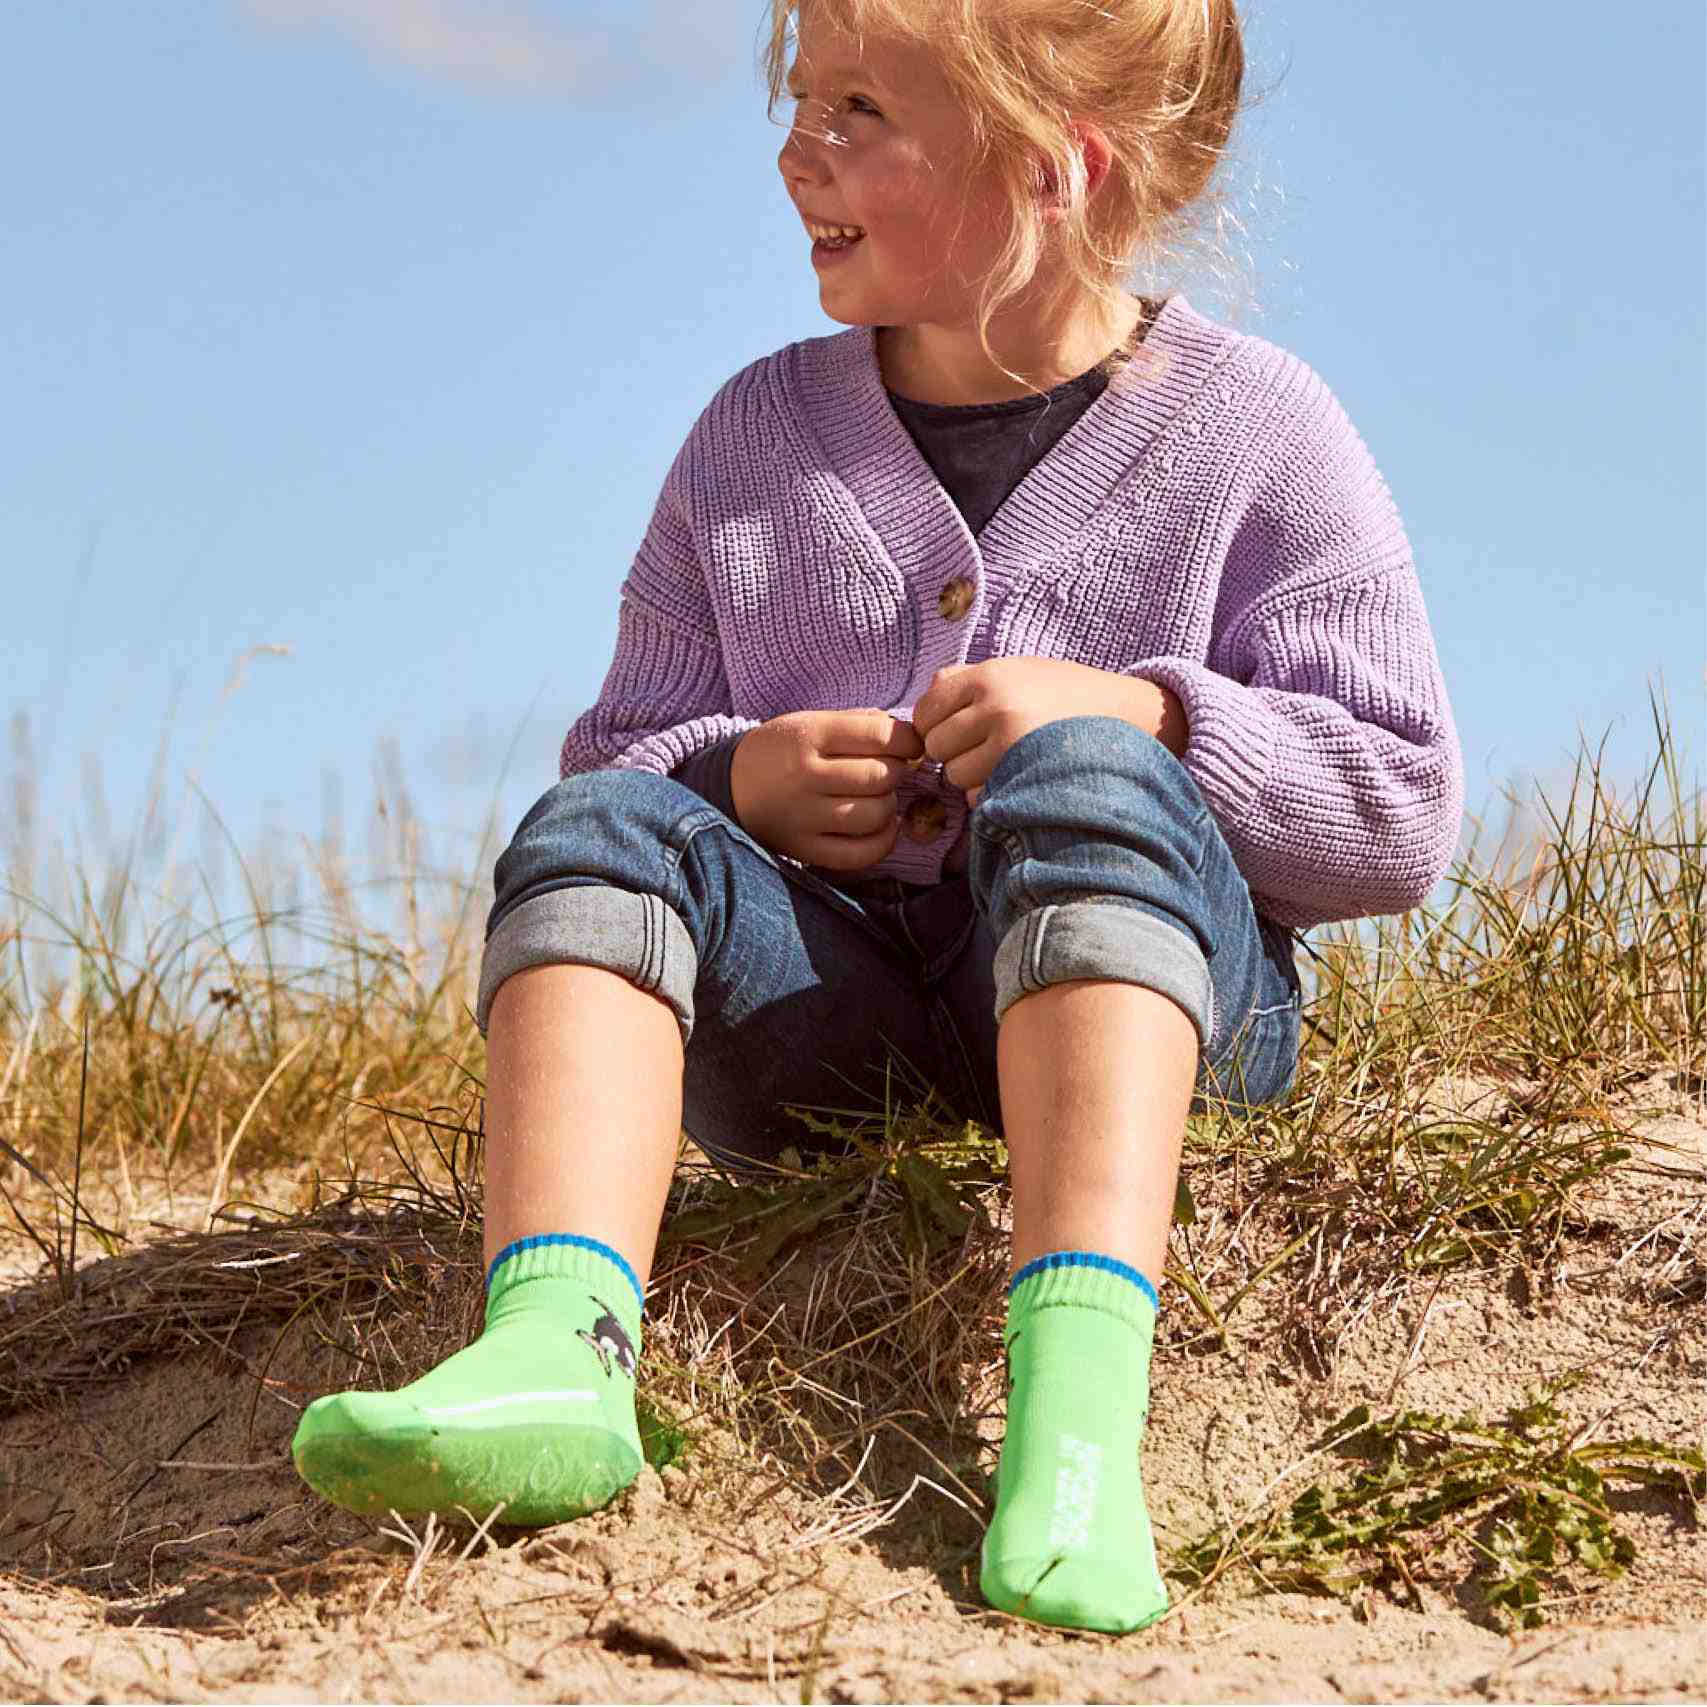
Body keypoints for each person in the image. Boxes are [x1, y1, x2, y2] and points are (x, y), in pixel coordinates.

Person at [292, 0, 1464, 1636]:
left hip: (1161, 1016)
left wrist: (1153, 715)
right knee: (600, 820)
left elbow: (1398, 808)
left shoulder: (1259, 435)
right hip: (824, 1029)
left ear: (1056, 167)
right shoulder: (752, 442)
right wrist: (734, 777)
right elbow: (624, 763)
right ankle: (556, 1350)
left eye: (858, 111)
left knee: (1085, 778)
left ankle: (1075, 1422)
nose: (797, 151)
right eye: (799, 97)